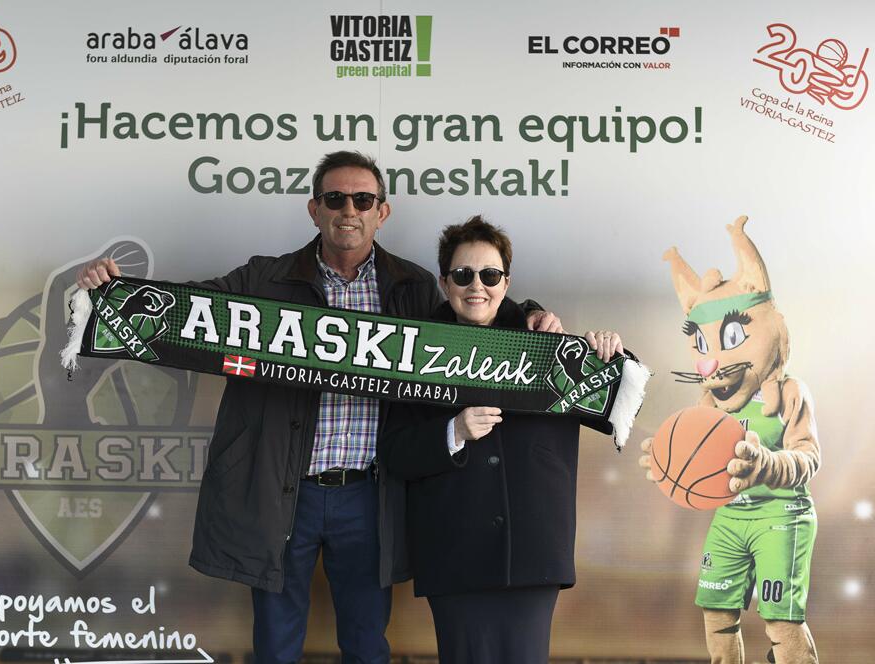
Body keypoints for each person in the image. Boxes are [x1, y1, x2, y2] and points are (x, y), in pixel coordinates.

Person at [74, 152, 563, 664]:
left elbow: (478, 312)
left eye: (362, 199)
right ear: (314, 209)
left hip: (371, 495)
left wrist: (531, 314)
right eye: (335, 198)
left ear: (382, 212)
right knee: (276, 645)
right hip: (283, 494)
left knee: (366, 645)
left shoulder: (417, 288)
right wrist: (112, 294)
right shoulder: (265, 279)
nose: (348, 210)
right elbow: (190, 313)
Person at [379, 216, 624, 664]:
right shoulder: (415, 353)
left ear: (506, 281)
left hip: (531, 556)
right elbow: (394, 453)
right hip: (454, 556)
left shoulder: (550, 344)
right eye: (463, 274)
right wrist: (453, 432)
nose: (477, 286)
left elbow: (620, 407)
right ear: (444, 282)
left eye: (489, 275)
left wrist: (609, 353)